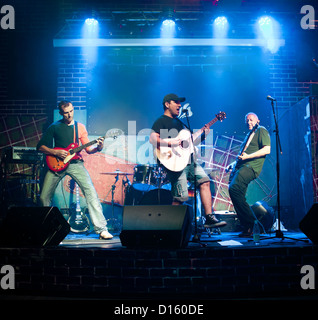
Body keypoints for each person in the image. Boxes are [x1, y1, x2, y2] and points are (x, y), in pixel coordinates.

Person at [37, 100, 113, 240]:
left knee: (90, 192)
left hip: (76, 164)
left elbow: (89, 149)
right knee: (44, 197)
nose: (69, 115)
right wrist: (55, 152)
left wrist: (99, 147)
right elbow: (40, 147)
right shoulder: (54, 127)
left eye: (71, 111)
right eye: (66, 113)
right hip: (57, 164)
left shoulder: (80, 127)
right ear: (61, 113)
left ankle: (102, 229)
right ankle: (46, 230)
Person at [149, 93, 227, 229]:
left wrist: (203, 136)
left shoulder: (180, 123)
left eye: (180, 102)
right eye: (176, 102)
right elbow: (152, 139)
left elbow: (189, 143)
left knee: (205, 182)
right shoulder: (161, 121)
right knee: (180, 197)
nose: (179, 105)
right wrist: (170, 143)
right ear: (167, 104)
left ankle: (209, 217)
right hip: (174, 163)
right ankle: (170, 227)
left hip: (189, 161)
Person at [228, 112, 271, 237]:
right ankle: (248, 227)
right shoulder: (249, 135)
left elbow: (267, 149)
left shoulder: (261, 130)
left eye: (251, 120)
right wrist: (232, 164)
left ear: (257, 121)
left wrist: (248, 157)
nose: (249, 122)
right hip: (241, 166)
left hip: (250, 167)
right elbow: (243, 155)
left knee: (234, 189)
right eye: (247, 120)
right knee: (237, 195)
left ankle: (254, 225)